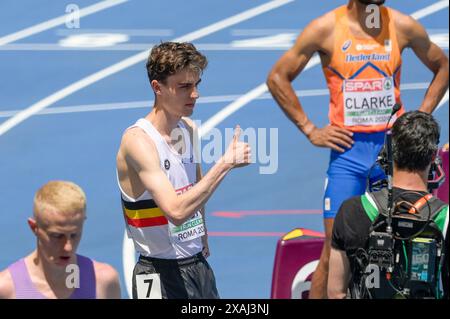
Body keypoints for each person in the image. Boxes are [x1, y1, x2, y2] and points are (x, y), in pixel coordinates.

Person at [266, 0, 449, 298]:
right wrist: (310, 129)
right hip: (348, 155)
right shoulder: (325, 28)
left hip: (393, 155)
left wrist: (420, 117)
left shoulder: (401, 25)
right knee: (332, 246)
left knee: (412, 237)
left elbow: (443, 66)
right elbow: (277, 77)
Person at [116, 42, 251, 299]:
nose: (195, 94)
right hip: (157, 273)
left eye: (197, 84)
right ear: (158, 88)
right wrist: (225, 163)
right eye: (184, 87)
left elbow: (193, 183)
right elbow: (176, 211)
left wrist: (202, 231)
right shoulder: (138, 141)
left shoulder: (187, 129)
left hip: (196, 264)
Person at [328, 111, 449, 299]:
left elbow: (336, 293)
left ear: (389, 153)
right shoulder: (446, 218)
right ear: (433, 156)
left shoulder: (351, 211)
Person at [0, 180, 121, 299]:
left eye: (74, 235)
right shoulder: (6, 289)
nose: (68, 247)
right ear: (34, 227)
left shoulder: (103, 281)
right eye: (57, 236)